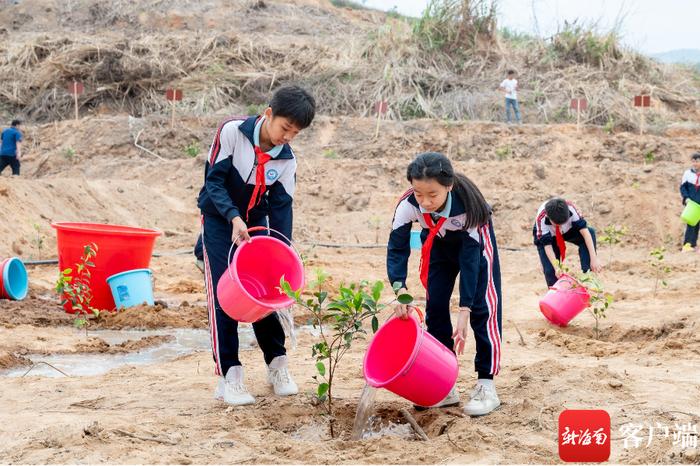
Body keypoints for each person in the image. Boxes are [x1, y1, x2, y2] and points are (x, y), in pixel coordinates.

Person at [197, 85, 315, 405]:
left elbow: (281, 209)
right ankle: (230, 374)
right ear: (268, 114)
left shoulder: (286, 160)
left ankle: (277, 363)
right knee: (224, 291)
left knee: (265, 288)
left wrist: (282, 253)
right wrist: (233, 217)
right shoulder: (233, 132)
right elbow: (214, 181)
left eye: (295, 132)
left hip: (255, 223)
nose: (287, 136)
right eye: (284, 128)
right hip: (220, 220)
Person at [387, 152, 502, 417]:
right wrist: (399, 288)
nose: (425, 202)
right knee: (435, 306)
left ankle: (486, 383)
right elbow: (397, 247)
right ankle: (445, 384)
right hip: (438, 245)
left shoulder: (470, 206)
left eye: (433, 195)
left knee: (483, 309)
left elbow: (471, 261)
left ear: (448, 187)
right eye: (418, 193)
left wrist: (464, 309)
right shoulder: (407, 205)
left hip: (475, 251)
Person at [533, 197, 601, 287]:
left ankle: (588, 278)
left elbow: (586, 233)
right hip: (548, 237)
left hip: (568, 230)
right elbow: (547, 246)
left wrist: (594, 259)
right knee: (551, 271)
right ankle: (556, 296)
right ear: (548, 217)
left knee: (590, 232)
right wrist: (557, 267)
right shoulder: (541, 219)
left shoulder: (571, 208)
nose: (560, 227)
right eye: (557, 224)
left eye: (563, 223)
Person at [680, 152, 700, 252]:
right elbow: (683, 188)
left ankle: (695, 245)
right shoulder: (687, 174)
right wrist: (686, 198)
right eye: (693, 161)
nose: (695, 163)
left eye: (697, 161)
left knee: (698, 225)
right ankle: (687, 245)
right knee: (691, 224)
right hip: (691, 203)